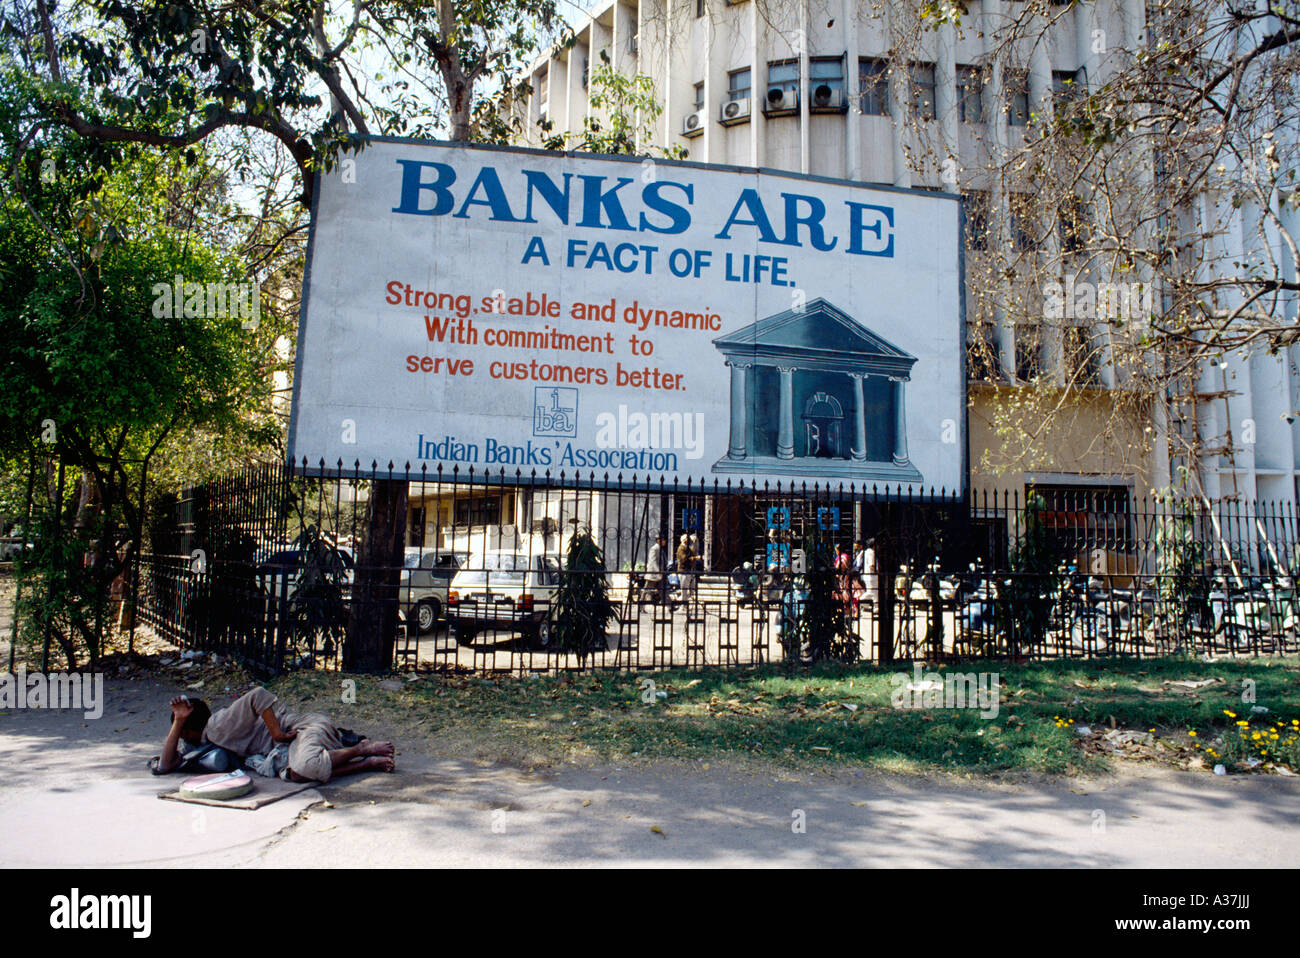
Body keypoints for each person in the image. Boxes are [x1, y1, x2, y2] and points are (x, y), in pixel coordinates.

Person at [155, 688, 394, 782]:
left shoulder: (217, 726)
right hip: (282, 749)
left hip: (300, 728)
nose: (179, 738)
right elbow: (166, 765)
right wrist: (178, 721)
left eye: (180, 731)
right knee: (297, 775)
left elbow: (258, 695)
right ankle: (364, 764)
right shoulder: (203, 743)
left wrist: (277, 733)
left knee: (308, 766)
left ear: (188, 731)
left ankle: (360, 749)